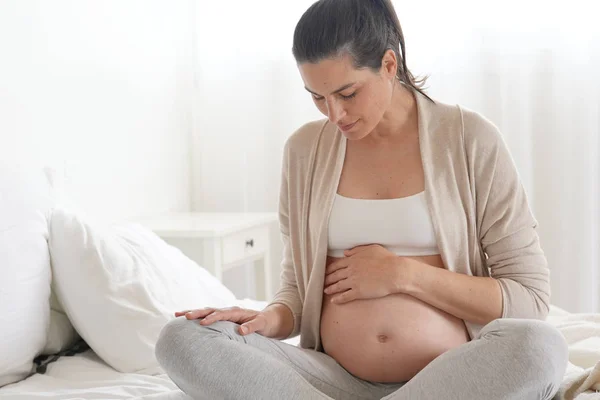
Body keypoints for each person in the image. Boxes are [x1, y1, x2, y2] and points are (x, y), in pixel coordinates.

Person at [155, 0, 569, 399]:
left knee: (539, 347)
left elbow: (529, 300)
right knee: (182, 339)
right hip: (328, 380)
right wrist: (270, 318)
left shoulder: (470, 139)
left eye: (347, 93)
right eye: (317, 97)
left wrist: (402, 274)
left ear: (389, 65)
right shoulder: (304, 151)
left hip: (450, 378)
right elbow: (298, 290)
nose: (334, 115)